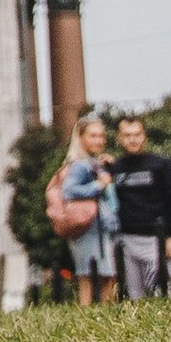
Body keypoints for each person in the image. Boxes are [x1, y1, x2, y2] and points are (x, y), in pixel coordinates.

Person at [108, 115, 171, 303]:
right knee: (136, 300)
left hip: (155, 241)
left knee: (161, 296)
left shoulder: (160, 165)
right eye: (127, 135)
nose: (132, 139)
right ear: (119, 138)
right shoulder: (114, 168)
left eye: (137, 134)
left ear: (144, 136)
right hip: (126, 241)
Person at [47, 112, 116, 306]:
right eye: (93, 136)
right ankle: (94, 313)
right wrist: (99, 185)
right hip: (90, 228)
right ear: (80, 137)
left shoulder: (92, 163)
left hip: (97, 227)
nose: (99, 140)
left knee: (102, 275)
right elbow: (69, 191)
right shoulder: (80, 165)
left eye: (101, 136)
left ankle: (95, 313)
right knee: (93, 277)